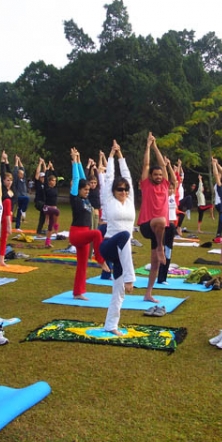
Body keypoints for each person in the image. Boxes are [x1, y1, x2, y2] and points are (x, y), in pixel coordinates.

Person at [99, 140, 135, 334]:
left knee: (119, 289)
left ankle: (111, 325)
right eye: (119, 189)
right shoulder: (108, 200)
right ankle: (130, 277)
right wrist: (111, 156)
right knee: (124, 234)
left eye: (125, 189)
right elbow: (109, 177)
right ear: (113, 191)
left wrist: (121, 155)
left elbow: (127, 175)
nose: (123, 192)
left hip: (123, 252)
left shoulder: (130, 201)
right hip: (109, 246)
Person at [137, 132, 174, 303]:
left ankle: (148, 293)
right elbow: (146, 164)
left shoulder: (166, 185)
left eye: (160, 175)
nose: (159, 176)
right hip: (147, 225)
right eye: (156, 175)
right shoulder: (146, 185)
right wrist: (147, 146)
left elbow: (163, 166)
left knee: (156, 264)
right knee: (161, 220)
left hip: (159, 230)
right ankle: (160, 248)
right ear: (151, 176)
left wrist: (156, 146)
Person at [69, 148, 109, 299]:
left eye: (87, 189)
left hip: (84, 234)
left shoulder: (85, 199)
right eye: (84, 189)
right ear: (77, 190)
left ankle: (78, 292)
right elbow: (76, 177)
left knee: (82, 265)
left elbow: (82, 177)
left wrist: (79, 159)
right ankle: (100, 259)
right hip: (77, 234)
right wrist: (74, 161)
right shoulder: (75, 198)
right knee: (98, 233)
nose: (87, 191)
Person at [13, 155, 29, 230]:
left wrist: (19, 160)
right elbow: (16, 170)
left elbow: (23, 168)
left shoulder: (24, 180)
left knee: (19, 210)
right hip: (19, 196)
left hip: (23, 196)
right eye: (20, 174)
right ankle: (24, 210)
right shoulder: (16, 180)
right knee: (27, 198)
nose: (22, 175)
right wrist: (16, 161)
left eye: (22, 174)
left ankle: (17, 226)